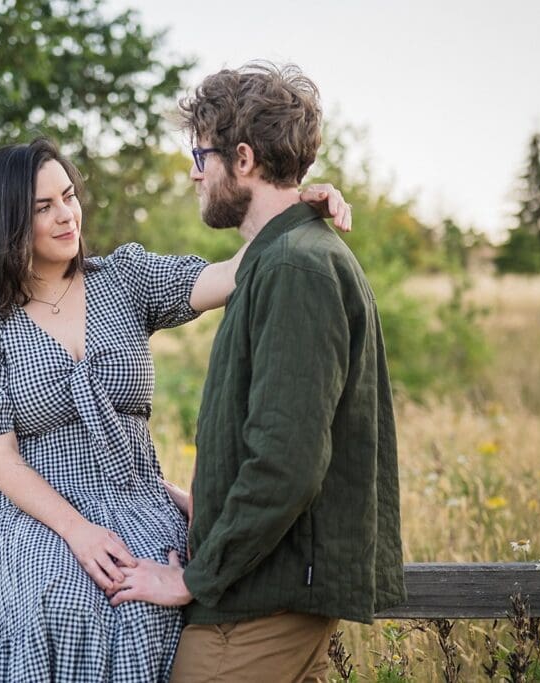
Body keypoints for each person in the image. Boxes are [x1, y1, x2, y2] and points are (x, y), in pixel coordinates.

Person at [0, 138, 351, 682]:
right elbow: (0, 461)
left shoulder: (124, 279)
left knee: (149, 606)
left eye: (69, 197)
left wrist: (297, 212)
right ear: (4, 223)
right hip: (38, 514)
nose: (66, 216)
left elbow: (233, 272)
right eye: (43, 208)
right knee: (64, 603)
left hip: (138, 501)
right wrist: (78, 531)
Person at [108, 63, 407, 683]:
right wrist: (212, 502)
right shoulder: (281, 257)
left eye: (201, 154)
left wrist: (193, 575)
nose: (194, 171)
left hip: (255, 612)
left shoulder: (297, 269)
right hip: (266, 593)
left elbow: (287, 462)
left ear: (242, 159)